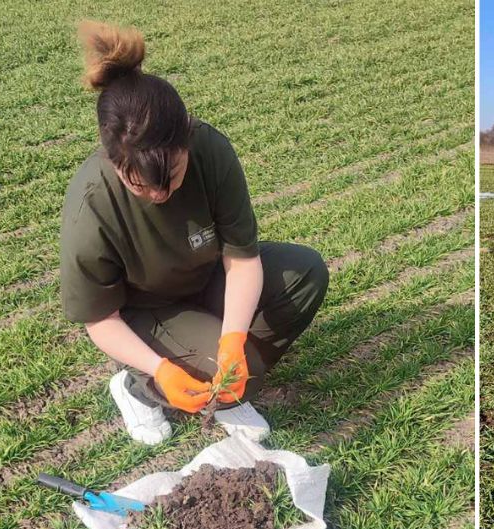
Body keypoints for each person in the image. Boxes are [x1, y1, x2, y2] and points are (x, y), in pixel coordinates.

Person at [60, 21, 328, 445]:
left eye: (172, 176)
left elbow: (242, 258)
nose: (160, 194)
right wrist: (161, 369)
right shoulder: (91, 204)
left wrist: (232, 341)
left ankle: (219, 380)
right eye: (140, 185)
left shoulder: (210, 149)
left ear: (187, 139)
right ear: (113, 162)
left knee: (305, 273)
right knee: (247, 373)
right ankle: (138, 387)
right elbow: (101, 320)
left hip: (204, 280)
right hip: (146, 313)